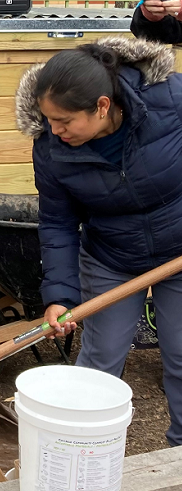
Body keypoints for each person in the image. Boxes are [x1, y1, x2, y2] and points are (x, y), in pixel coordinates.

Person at [15, 36, 182, 448]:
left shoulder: (172, 100)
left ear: (102, 106)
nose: (54, 130)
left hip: (179, 249)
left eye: (65, 121)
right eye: (47, 119)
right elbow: (56, 222)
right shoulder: (51, 148)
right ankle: (84, 451)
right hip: (111, 254)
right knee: (100, 360)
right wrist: (60, 295)